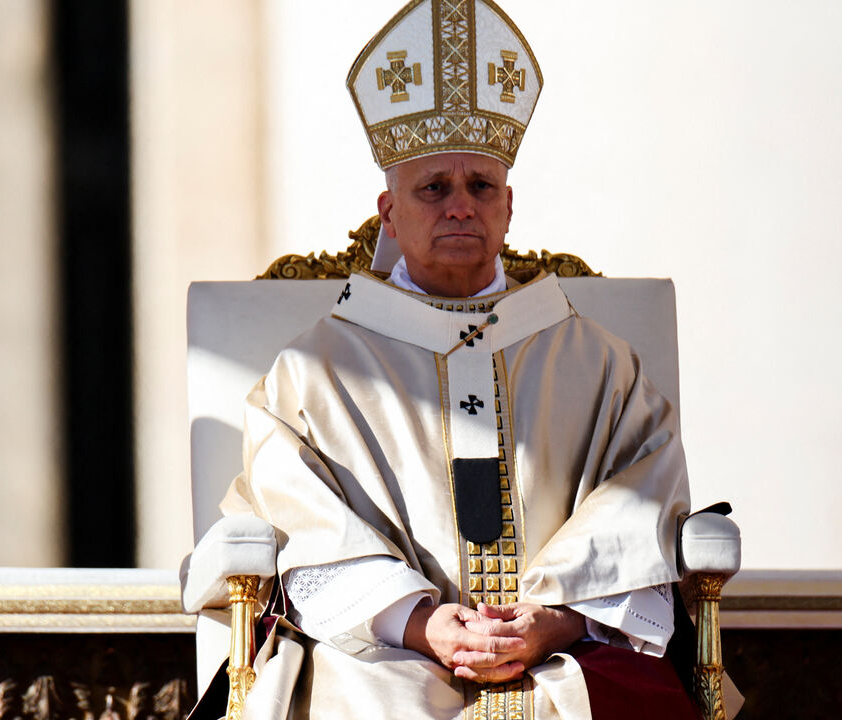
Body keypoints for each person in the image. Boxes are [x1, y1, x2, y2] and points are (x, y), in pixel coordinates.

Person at [205, 1, 705, 718]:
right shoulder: (316, 371)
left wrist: (553, 618)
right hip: (384, 653)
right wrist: (420, 620)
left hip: (563, 648)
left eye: (481, 187)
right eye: (433, 189)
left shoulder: (595, 361)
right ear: (389, 211)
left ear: (508, 207)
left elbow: (644, 495)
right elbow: (295, 514)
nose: (460, 207)